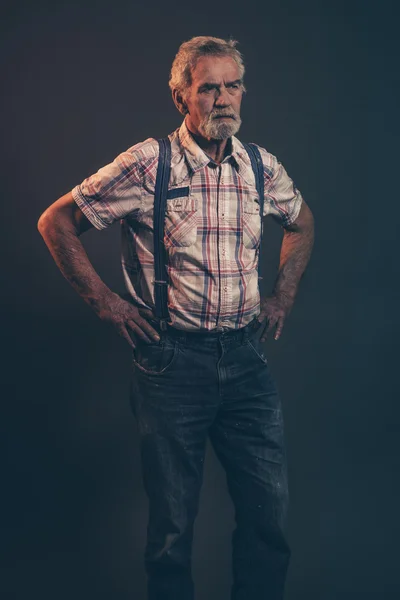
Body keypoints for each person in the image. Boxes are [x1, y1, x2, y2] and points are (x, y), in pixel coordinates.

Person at [38, 36, 314, 600]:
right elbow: (55, 222)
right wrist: (108, 304)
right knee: (172, 528)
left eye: (232, 84)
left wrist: (281, 295)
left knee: (268, 518)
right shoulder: (147, 164)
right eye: (207, 87)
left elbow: (301, 220)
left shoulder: (260, 166)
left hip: (246, 361)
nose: (223, 99)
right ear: (181, 97)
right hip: (171, 366)